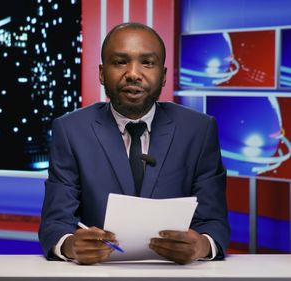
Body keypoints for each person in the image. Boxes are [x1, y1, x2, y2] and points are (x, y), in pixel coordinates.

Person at [38, 22, 230, 265]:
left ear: (163, 75)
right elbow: (54, 224)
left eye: (147, 63)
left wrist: (202, 245)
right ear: (101, 72)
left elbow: (215, 223)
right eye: (120, 62)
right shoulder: (70, 130)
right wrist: (69, 246)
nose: (133, 73)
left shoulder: (199, 130)